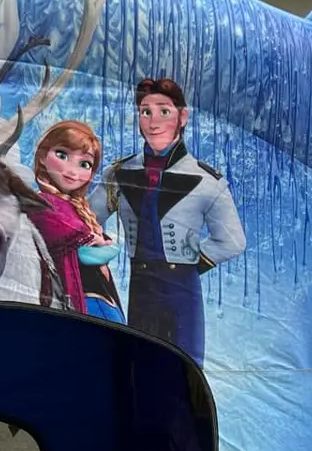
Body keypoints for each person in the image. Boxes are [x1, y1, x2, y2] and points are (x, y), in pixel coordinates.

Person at [101, 77, 244, 363]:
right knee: (138, 364)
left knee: (184, 366)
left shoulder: (207, 181)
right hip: (140, 287)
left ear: (183, 116)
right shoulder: (117, 173)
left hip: (181, 290)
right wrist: (99, 246)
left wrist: (187, 263)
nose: (154, 122)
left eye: (164, 111)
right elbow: (87, 216)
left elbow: (233, 241)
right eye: (146, 112)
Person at [29, 120, 122, 321]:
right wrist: (101, 244)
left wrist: (102, 243)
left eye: (84, 164)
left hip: (99, 299)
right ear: (43, 156)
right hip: (77, 300)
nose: (73, 170)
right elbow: (80, 246)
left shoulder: (74, 205)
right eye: (62, 155)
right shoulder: (41, 204)